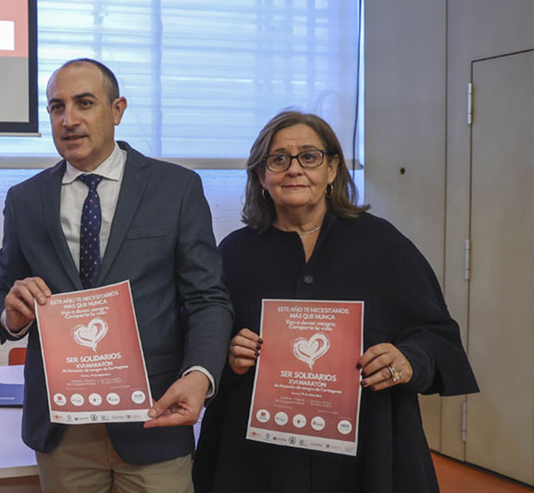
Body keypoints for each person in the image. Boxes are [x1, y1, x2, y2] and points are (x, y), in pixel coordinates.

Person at [192, 110, 479, 492]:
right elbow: (201, 333)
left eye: (309, 156)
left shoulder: (383, 245)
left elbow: (438, 336)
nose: (294, 169)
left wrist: (409, 360)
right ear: (261, 175)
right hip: (258, 458)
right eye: (278, 159)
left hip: (366, 450)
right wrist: (228, 354)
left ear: (332, 169)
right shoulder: (233, 253)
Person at [0, 58, 233, 492]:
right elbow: (3, 295)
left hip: (153, 416)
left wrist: (199, 375)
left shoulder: (176, 188)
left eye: (85, 103)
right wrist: (13, 315)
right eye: (56, 107)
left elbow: (207, 298)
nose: (69, 120)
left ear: (117, 110)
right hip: (63, 428)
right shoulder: (25, 199)